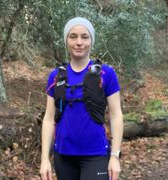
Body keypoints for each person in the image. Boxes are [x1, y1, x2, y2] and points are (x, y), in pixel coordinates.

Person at [40, 17, 123, 180]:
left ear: (91, 41)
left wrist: (114, 155)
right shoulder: (55, 76)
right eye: (73, 36)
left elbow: (116, 115)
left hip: (96, 154)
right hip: (63, 156)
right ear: (66, 40)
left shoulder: (106, 74)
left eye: (85, 37)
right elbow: (49, 119)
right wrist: (44, 160)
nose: (79, 42)